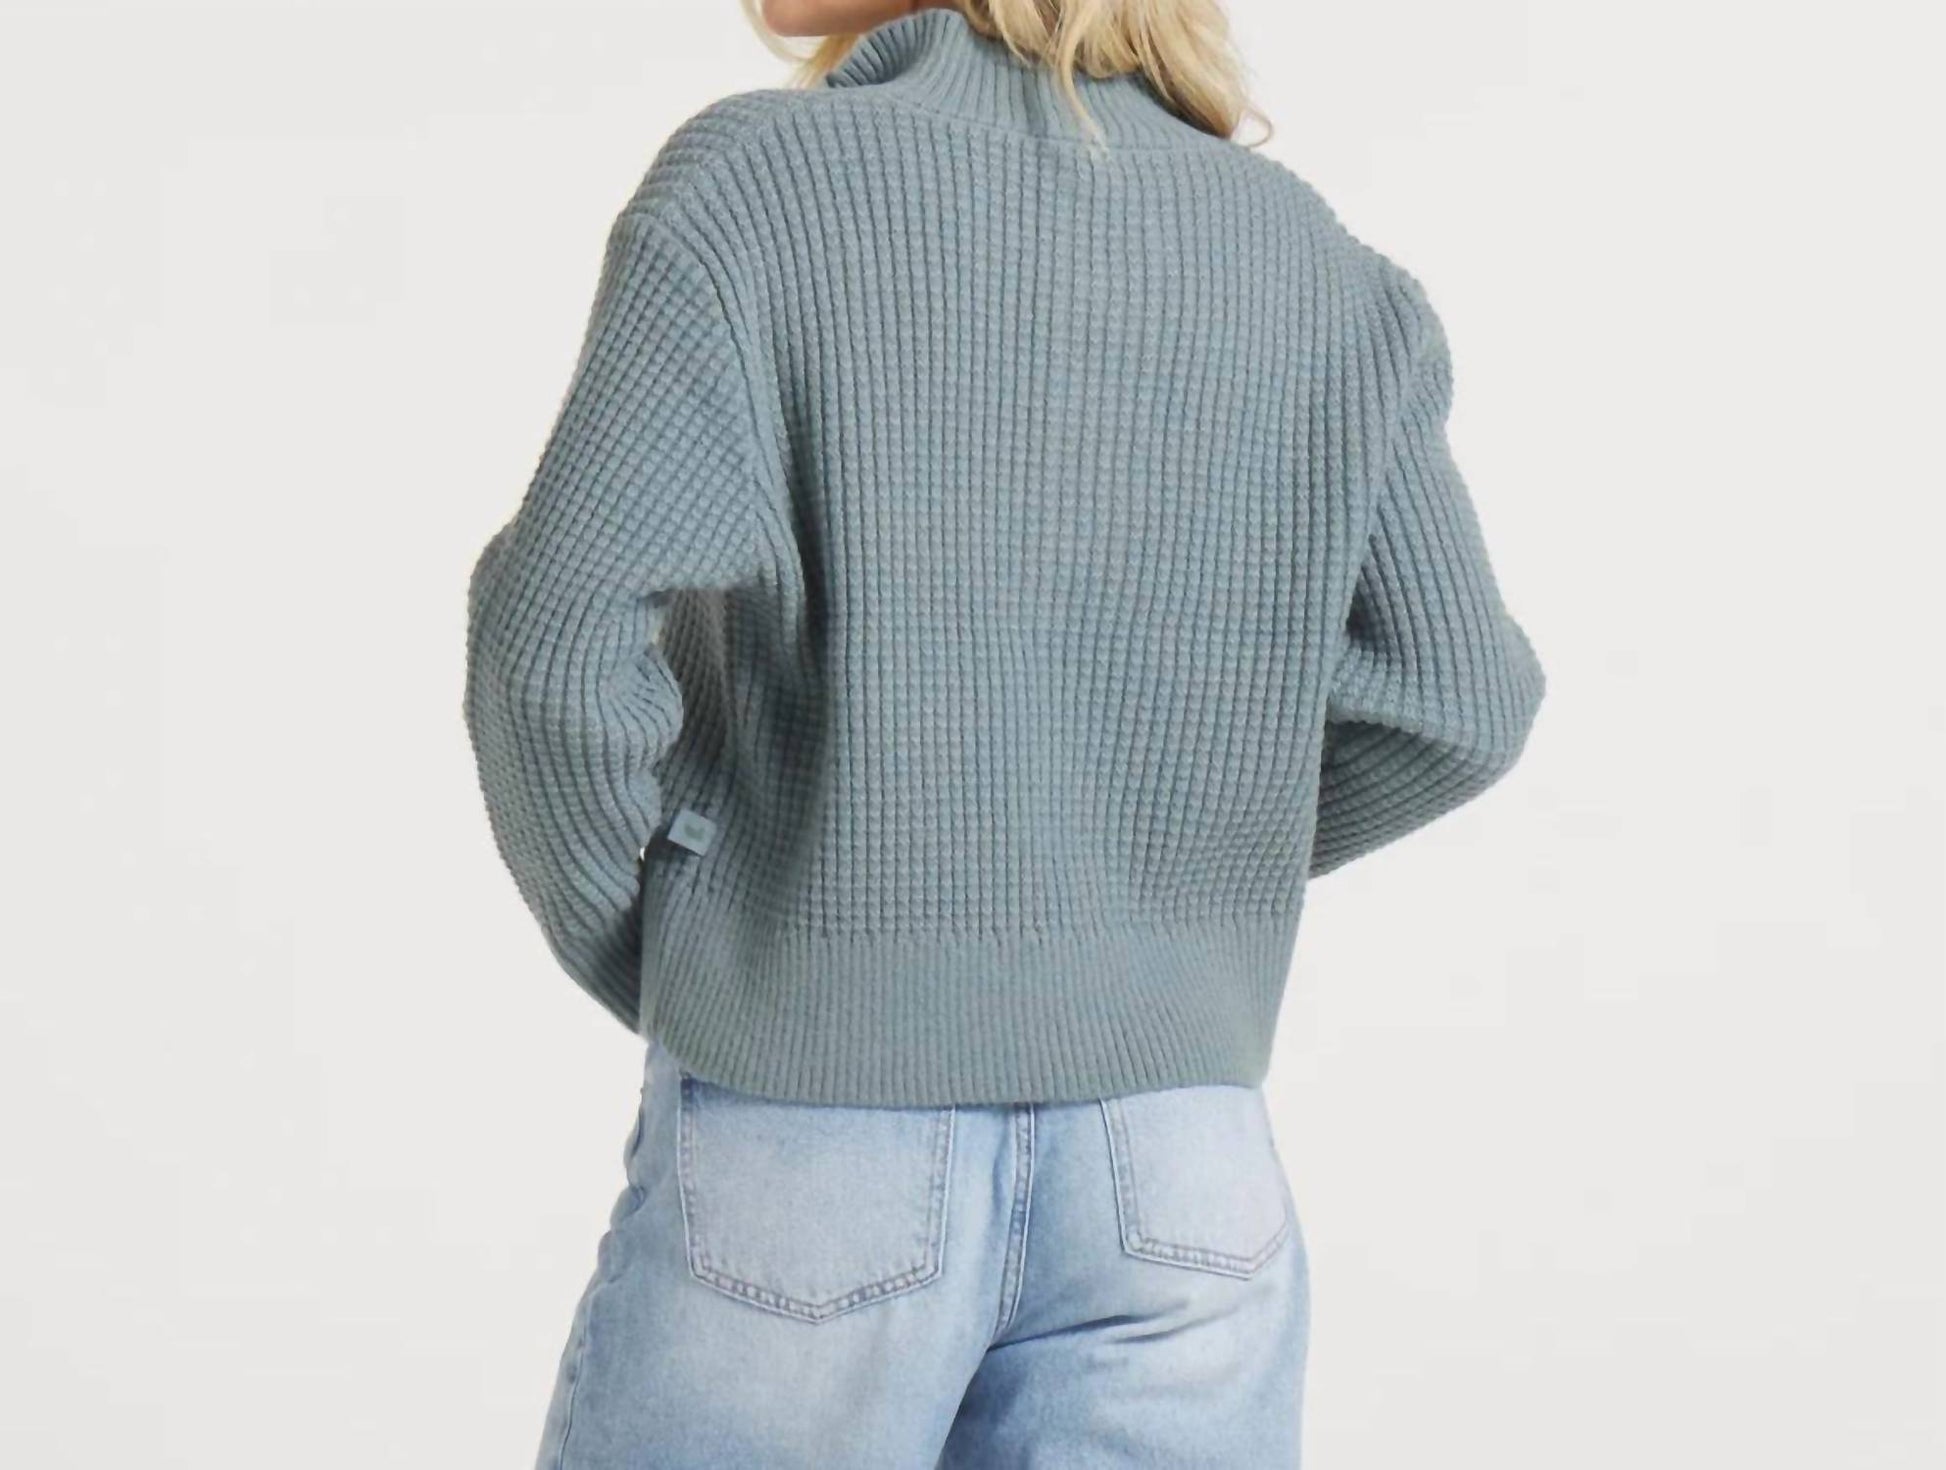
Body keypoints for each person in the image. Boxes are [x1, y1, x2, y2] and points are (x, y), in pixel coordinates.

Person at [462, 1, 1547, 1464]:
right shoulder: (1312, 255)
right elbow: (1459, 696)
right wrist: (1151, 891)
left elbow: (555, 643)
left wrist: (688, 952)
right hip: (1183, 1170)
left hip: (816, 1141)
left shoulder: (760, 189)